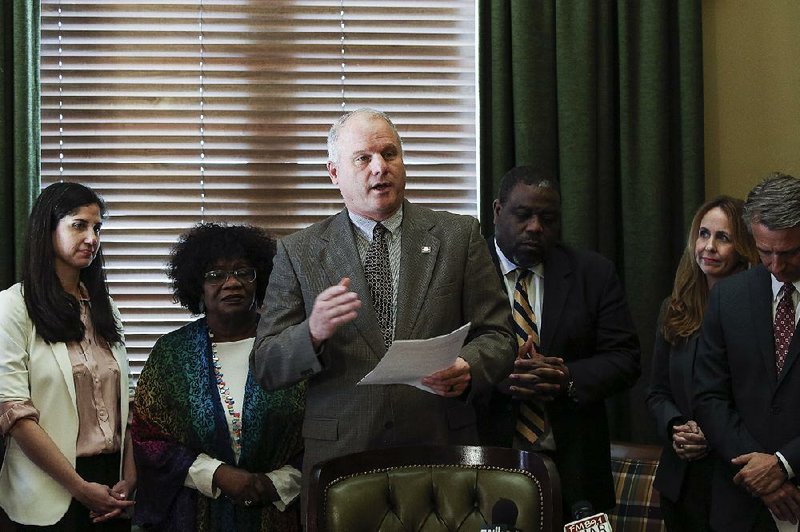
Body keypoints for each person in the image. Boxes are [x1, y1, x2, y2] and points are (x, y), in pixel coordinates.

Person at [250, 108, 516, 505]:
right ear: (334, 173)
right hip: (343, 461)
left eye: (389, 154)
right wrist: (311, 332)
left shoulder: (458, 236)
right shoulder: (298, 252)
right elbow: (267, 366)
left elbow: (498, 336)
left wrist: (469, 367)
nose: (380, 168)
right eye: (363, 158)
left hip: (439, 448)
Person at [478, 166, 641, 520]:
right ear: (497, 211)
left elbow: (626, 359)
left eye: (548, 218)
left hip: (575, 470)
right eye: (524, 215)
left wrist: (567, 377)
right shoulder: (465, 270)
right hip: (484, 467)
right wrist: (493, 374)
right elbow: (441, 358)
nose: (536, 227)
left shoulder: (593, 273)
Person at [131, 223, 305, 531]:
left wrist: (274, 482)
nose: (232, 283)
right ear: (197, 285)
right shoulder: (172, 352)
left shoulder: (290, 346)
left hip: (281, 513)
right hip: (192, 515)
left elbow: (325, 431)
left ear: (261, 279)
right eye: (215, 275)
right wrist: (216, 474)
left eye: (244, 272)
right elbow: (149, 439)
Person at [0, 182, 135, 529]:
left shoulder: (107, 310)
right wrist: (79, 487)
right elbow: (14, 415)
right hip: (48, 490)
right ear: (47, 230)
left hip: (110, 489)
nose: (92, 237)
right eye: (79, 225)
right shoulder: (13, 307)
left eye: (97, 227)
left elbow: (127, 407)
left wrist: (129, 480)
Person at [694, 172, 800, 532]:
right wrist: (758, 473)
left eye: (788, 252)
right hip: (740, 502)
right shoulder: (729, 297)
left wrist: (784, 464)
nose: (775, 265)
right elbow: (709, 395)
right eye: (764, 251)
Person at [647, 196, 758, 531]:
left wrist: (712, 433)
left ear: (743, 247)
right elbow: (657, 391)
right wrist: (675, 427)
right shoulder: (674, 308)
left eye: (722, 238)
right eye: (703, 234)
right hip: (681, 477)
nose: (709, 246)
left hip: (734, 474)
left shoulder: (758, 312)